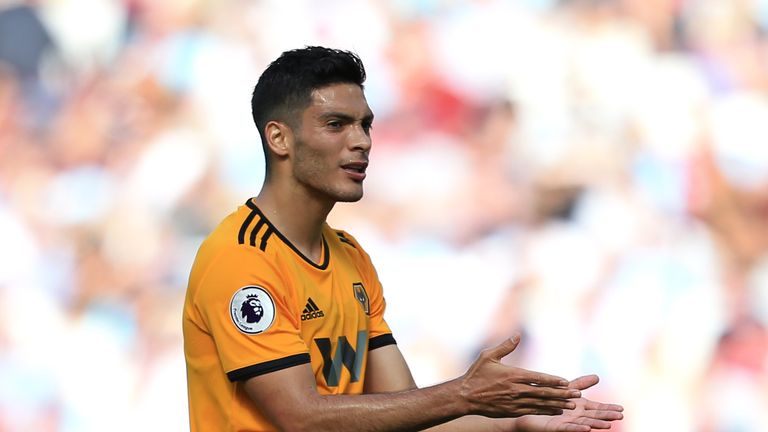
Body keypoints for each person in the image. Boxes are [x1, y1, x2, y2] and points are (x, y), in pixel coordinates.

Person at [182, 46, 624, 432]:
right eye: (336, 125)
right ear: (279, 138)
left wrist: (514, 421)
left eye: (365, 125)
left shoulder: (351, 258)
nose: (361, 142)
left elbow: (405, 413)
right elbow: (303, 418)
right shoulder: (241, 259)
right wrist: (465, 394)